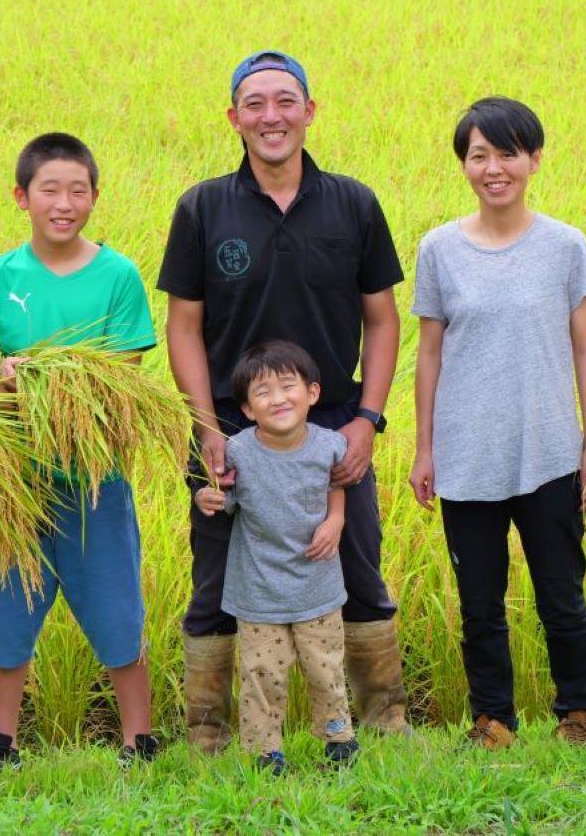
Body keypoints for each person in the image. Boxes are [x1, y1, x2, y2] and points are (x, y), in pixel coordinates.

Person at [158, 51, 409, 752]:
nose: (271, 116)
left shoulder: (352, 203)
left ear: (309, 111)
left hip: (332, 430)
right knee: (215, 579)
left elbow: (383, 320)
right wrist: (206, 426)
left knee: (356, 567)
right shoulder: (203, 207)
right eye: (255, 103)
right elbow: (183, 326)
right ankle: (208, 735)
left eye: (285, 101)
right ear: (234, 118)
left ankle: (381, 723)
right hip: (230, 434)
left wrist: (367, 419)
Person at [0, 132, 160, 773]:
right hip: (14, 480)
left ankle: (139, 742)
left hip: (97, 480)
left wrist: (33, 377)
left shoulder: (118, 276)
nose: (64, 203)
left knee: (118, 609)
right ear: (21, 197)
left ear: (95, 196)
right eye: (49, 190)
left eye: (78, 190)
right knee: (7, 613)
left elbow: (120, 376)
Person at [408, 97, 586, 750]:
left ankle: (577, 716)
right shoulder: (438, 249)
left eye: (506, 153)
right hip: (466, 456)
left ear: (534, 159)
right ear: (463, 163)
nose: (492, 168)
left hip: (548, 450)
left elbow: (585, 349)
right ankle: (492, 720)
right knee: (479, 605)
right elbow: (429, 352)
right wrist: (423, 450)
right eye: (478, 154)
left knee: (561, 596)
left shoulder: (564, 245)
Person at [194, 341, 360, 775]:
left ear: (312, 393)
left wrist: (336, 520)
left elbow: (335, 485)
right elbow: (224, 499)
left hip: (318, 586)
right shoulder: (237, 452)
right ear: (248, 409)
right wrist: (206, 496)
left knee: (326, 669)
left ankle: (338, 739)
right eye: (262, 392)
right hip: (259, 590)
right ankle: (264, 752)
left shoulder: (331, 446)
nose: (278, 398)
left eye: (288, 386)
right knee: (261, 673)